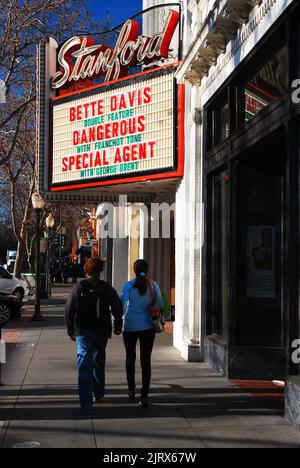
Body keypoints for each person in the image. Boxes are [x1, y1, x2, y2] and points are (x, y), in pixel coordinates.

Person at [65, 257, 123, 414]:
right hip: (101, 331)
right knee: (99, 359)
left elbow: (69, 309)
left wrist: (70, 330)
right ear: (100, 271)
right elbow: (117, 307)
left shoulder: (79, 287)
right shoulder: (106, 288)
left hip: (83, 331)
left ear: (86, 270)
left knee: (84, 365)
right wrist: (118, 326)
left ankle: (85, 402)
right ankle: (98, 393)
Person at [121, 259, 163, 408]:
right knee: (146, 360)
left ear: (134, 271)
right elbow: (160, 304)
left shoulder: (128, 285)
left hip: (130, 326)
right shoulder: (153, 285)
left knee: (130, 358)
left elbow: (122, 303)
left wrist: (120, 321)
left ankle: (131, 389)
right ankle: (144, 395)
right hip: (147, 327)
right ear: (147, 270)